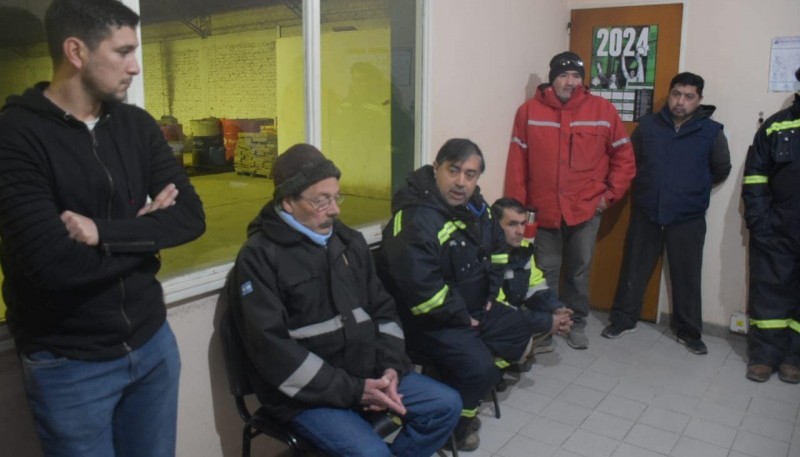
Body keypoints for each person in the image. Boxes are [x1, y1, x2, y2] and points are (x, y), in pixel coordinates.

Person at [0, 0, 207, 455]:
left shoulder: (136, 124)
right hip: (70, 364)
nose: (135, 67)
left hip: (152, 344)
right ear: (76, 51)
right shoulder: (16, 136)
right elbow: (52, 264)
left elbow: (191, 218)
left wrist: (104, 233)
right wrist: (148, 234)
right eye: (123, 52)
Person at [224, 144, 461, 457]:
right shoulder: (259, 258)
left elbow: (384, 312)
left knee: (446, 406)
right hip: (306, 397)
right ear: (288, 203)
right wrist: (356, 391)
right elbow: (273, 351)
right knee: (372, 453)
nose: (335, 209)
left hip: (368, 375)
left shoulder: (348, 242)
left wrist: (390, 369)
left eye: (336, 197)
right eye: (322, 201)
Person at [376, 139, 535, 452]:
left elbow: (496, 249)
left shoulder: (476, 207)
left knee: (520, 327)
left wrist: (490, 295)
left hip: (471, 309)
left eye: (471, 174)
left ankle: (460, 395)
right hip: (428, 321)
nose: (461, 182)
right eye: (454, 171)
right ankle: (457, 428)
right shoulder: (416, 218)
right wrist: (465, 318)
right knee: (480, 368)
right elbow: (423, 293)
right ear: (437, 169)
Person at [504, 51, 635, 350]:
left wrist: (607, 197)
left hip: (586, 208)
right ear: (553, 79)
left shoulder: (603, 110)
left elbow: (625, 160)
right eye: (563, 75)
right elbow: (516, 165)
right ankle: (546, 326)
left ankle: (575, 322)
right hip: (543, 208)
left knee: (579, 269)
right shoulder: (528, 112)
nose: (570, 82)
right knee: (544, 269)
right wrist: (517, 210)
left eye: (576, 76)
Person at [600, 72, 731, 355]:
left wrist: (693, 191)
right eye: (676, 94)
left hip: (688, 218)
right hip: (647, 212)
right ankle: (623, 320)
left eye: (688, 96)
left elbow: (722, 169)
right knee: (633, 268)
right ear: (669, 94)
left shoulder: (711, 132)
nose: (680, 102)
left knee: (687, 275)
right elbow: (629, 164)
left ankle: (689, 332)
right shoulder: (648, 127)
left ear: (699, 100)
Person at [741, 66, 800, 383]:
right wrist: (759, 221)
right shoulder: (777, 126)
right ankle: (763, 356)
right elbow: (755, 177)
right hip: (777, 228)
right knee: (768, 295)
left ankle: (795, 358)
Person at [491, 197, 574, 352]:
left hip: (509, 312)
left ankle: (515, 354)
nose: (521, 231)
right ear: (494, 225)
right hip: (491, 319)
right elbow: (498, 308)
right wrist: (547, 322)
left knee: (548, 316)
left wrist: (556, 309)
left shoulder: (523, 248)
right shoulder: (485, 254)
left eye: (523, 223)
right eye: (512, 224)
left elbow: (536, 286)